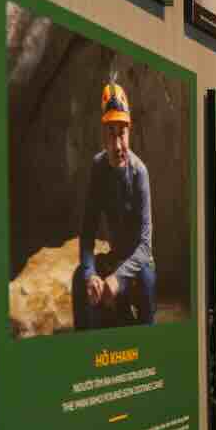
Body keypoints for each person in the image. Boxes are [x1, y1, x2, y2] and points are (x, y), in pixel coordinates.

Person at [71, 81, 156, 330]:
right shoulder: (98, 168)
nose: (117, 145)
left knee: (148, 279)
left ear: (129, 132)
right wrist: (90, 275)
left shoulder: (140, 172)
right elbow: (87, 232)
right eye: (111, 134)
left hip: (139, 261)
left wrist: (118, 279)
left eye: (122, 133)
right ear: (103, 135)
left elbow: (146, 246)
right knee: (79, 278)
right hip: (115, 257)